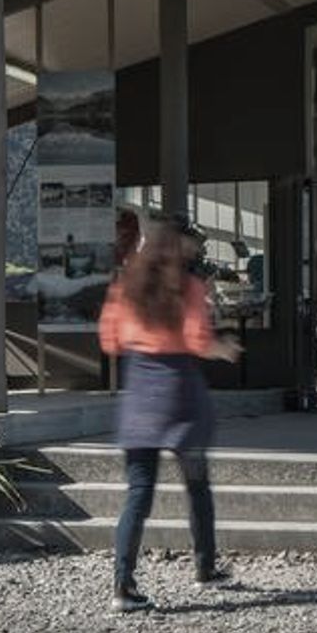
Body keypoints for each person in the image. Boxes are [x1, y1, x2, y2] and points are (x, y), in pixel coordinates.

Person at [96, 215, 237, 609]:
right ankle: (205, 567)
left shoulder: (124, 288)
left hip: (140, 395)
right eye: (188, 245)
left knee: (138, 493)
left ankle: (122, 587)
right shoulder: (188, 288)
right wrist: (223, 349)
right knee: (197, 485)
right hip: (181, 398)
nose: (193, 251)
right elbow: (197, 340)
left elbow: (109, 341)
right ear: (177, 249)